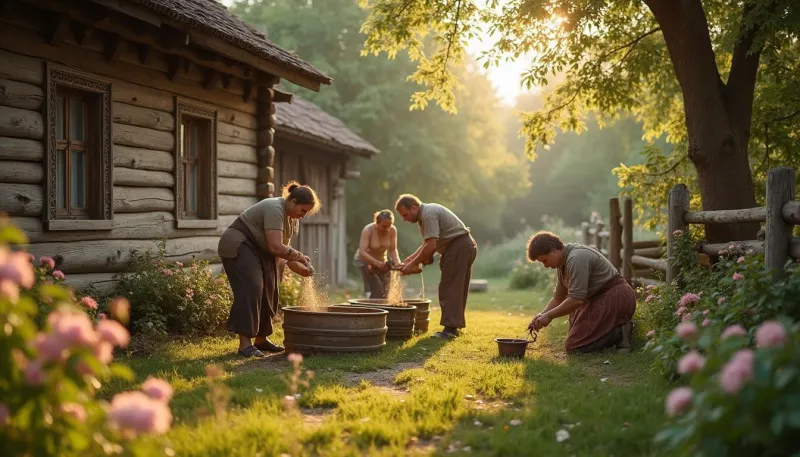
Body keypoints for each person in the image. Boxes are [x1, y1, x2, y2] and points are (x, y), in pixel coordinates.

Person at [217, 181, 320, 358]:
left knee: (270, 288)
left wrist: (301, 269)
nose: (303, 215)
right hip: (240, 243)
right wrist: (299, 255)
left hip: (259, 249)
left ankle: (261, 339)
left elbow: (283, 255)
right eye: (303, 210)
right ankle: (244, 345)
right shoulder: (274, 208)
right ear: (292, 201)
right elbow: (275, 246)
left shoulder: (292, 220)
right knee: (252, 287)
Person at [526, 231, 636, 354]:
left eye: (545, 261)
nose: (545, 266)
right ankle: (614, 330)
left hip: (616, 296)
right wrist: (542, 315)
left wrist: (550, 316)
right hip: (598, 298)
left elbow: (576, 299)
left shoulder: (576, 258)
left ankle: (620, 332)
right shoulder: (562, 263)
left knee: (574, 346)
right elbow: (558, 298)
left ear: (552, 250)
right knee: (575, 338)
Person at [395, 194, 477, 339]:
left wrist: (413, 264)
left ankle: (450, 331)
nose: (404, 219)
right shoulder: (425, 215)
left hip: (458, 247)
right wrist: (411, 260)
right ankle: (453, 327)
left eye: (405, 214)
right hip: (460, 246)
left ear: (414, 207)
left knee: (449, 287)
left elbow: (431, 246)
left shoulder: (428, 214)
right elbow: (427, 244)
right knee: (455, 287)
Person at [354, 209, 401, 298]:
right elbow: (362, 252)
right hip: (364, 261)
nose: (387, 229)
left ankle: (386, 308)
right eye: (384, 226)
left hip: (381, 261)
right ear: (377, 223)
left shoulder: (393, 230)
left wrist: (398, 264)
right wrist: (377, 264)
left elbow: (393, 250)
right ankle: (371, 308)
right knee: (376, 288)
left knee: (387, 287)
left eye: (389, 226)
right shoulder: (368, 230)